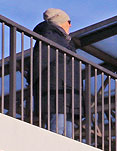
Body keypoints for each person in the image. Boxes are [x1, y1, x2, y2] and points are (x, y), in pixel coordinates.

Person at [30, 9, 82, 137]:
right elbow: (41, 60)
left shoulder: (65, 41)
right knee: (58, 130)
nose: (70, 25)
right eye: (69, 21)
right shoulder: (51, 36)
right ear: (61, 21)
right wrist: (33, 80)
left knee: (67, 132)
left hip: (66, 92)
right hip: (56, 91)